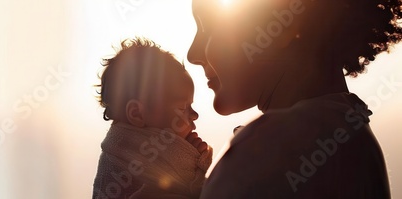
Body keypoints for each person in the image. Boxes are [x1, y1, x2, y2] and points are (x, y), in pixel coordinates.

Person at [187, 0, 401, 198]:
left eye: (208, 27)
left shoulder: (266, 151)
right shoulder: (355, 139)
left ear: (282, 26)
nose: (192, 53)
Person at [93, 38, 213, 199]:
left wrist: (191, 163)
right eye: (183, 108)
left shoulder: (149, 157)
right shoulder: (121, 171)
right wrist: (193, 169)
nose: (195, 115)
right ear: (137, 114)